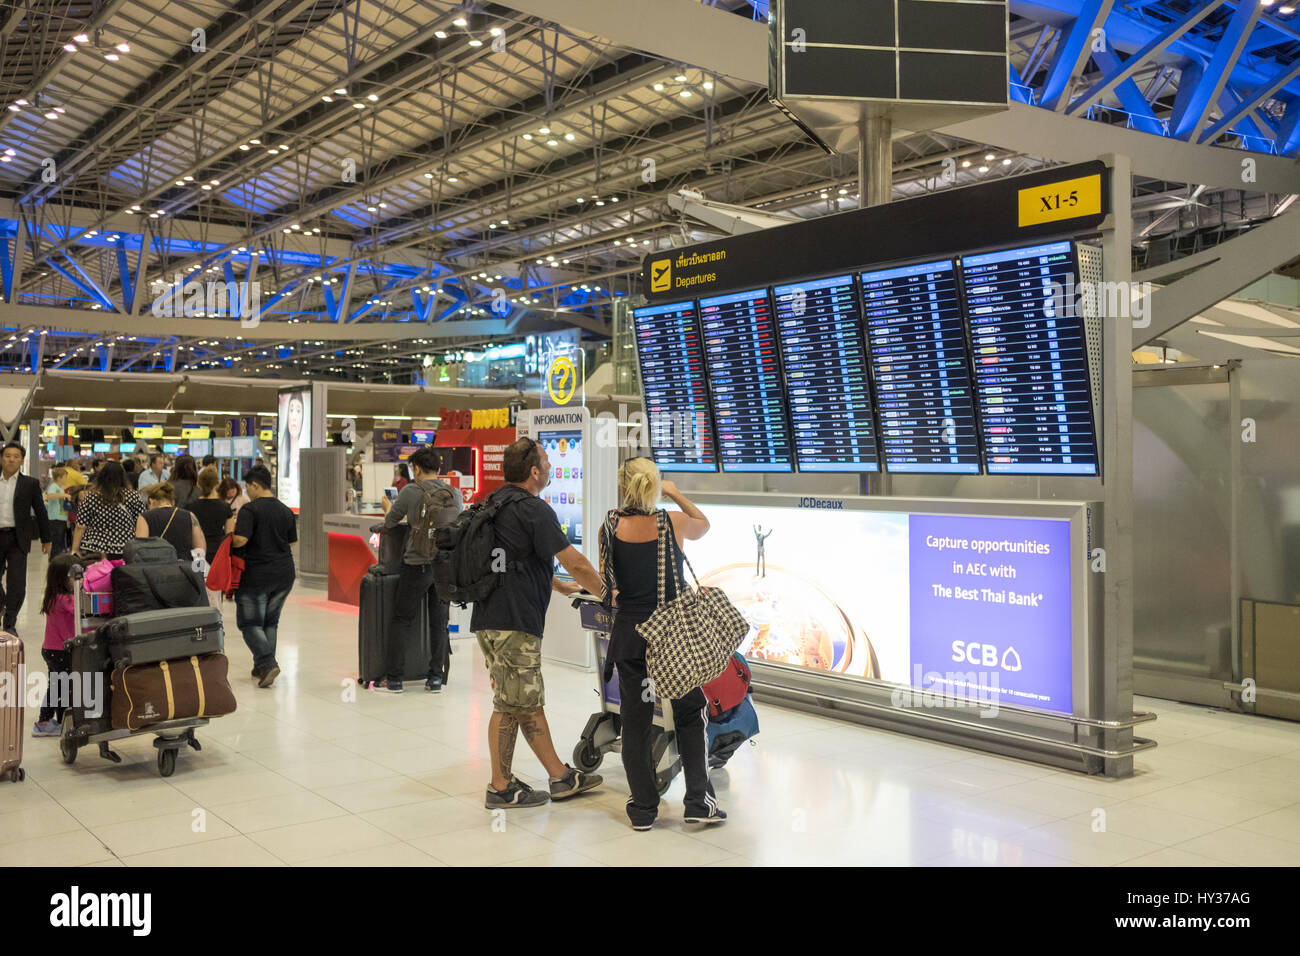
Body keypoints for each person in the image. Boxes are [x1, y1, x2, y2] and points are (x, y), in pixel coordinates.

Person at [471, 437, 605, 809]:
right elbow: (575, 560)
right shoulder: (534, 509)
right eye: (546, 461)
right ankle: (510, 785)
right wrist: (609, 594)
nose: (550, 467)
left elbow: (515, 558)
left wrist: (559, 587)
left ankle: (552, 777)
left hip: (489, 616)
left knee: (515, 701)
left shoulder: (494, 503)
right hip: (515, 620)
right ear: (534, 471)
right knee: (518, 703)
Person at [598, 458, 724, 830]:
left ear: (623, 487)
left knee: (635, 722)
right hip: (672, 638)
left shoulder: (609, 525)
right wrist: (674, 493)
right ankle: (698, 802)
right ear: (653, 485)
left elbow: (610, 583)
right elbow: (705, 524)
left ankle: (643, 809)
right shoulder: (672, 522)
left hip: (630, 636)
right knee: (689, 714)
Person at [373, 447, 461, 693]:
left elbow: (391, 523)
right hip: (443, 565)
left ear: (418, 468)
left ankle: (395, 678)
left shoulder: (410, 491)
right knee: (439, 622)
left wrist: (387, 507)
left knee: (402, 619)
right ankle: (435, 677)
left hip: (416, 564)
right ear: (439, 469)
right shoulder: (453, 492)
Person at [231, 466, 297, 688]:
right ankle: (262, 666)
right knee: (270, 621)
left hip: (258, 573)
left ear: (255, 485)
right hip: (284, 573)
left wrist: (229, 535)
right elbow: (292, 543)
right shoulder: (286, 510)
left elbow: (240, 540)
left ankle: (267, 662)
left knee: (249, 622)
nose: (246, 492)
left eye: (247, 487)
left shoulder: (250, 510)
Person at [0, 442, 51, 634]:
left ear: (22, 460)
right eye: (7, 455)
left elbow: (40, 511)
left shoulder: (30, 483)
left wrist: (47, 538)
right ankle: (2, 603)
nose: (11, 459)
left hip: (17, 539)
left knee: (17, 582)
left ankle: (10, 621)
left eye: (15, 456)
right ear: (1, 458)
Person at [31, 553, 78, 737]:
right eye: (74, 576)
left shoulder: (53, 596)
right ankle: (44, 722)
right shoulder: (64, 600)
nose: (77, 580)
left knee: (60, 685)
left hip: (52, 649)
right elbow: (79, 607)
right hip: (60, 651)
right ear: (63, 578)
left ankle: (59, 721)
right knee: (58, 687)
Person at [70, 461, 145, 561]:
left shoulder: (91, 497)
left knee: (98, 576)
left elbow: (80, 526)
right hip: (125, 547)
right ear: (123, 477)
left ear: (102, 477)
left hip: (96, 548)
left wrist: (74, 549)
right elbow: (142, 521)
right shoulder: (133, 496)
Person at [137, 482, 206, 561]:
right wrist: (198, 570)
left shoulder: (144, 517)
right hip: (183, 568)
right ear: (172, 501)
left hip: (155, 569)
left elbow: (140, 549)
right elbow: (199, 548)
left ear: (151, 501)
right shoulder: (190, 516)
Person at [188, 467, 234, 566]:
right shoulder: (225, 507)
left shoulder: (190, 507)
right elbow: (229, 535)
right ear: (217, 484)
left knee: (199, 579)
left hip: (197, 553)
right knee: (216, 580)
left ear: (198, 484)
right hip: (218, 553)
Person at [279, 392, 305, 506]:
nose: (294, 417)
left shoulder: (304, 460)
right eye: (291, 410)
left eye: (298, 411)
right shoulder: (283, 459)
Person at [43, 466, 71, 556]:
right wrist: (64, 495)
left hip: (61, 518)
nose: (66, 479)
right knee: (56, 541)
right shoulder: (54, 486)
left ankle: (57, 558)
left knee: (60, 541)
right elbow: (49, 496)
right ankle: (53, 559)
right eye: (65, 477)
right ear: (59, 478)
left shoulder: (61, 488)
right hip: (55, 518)